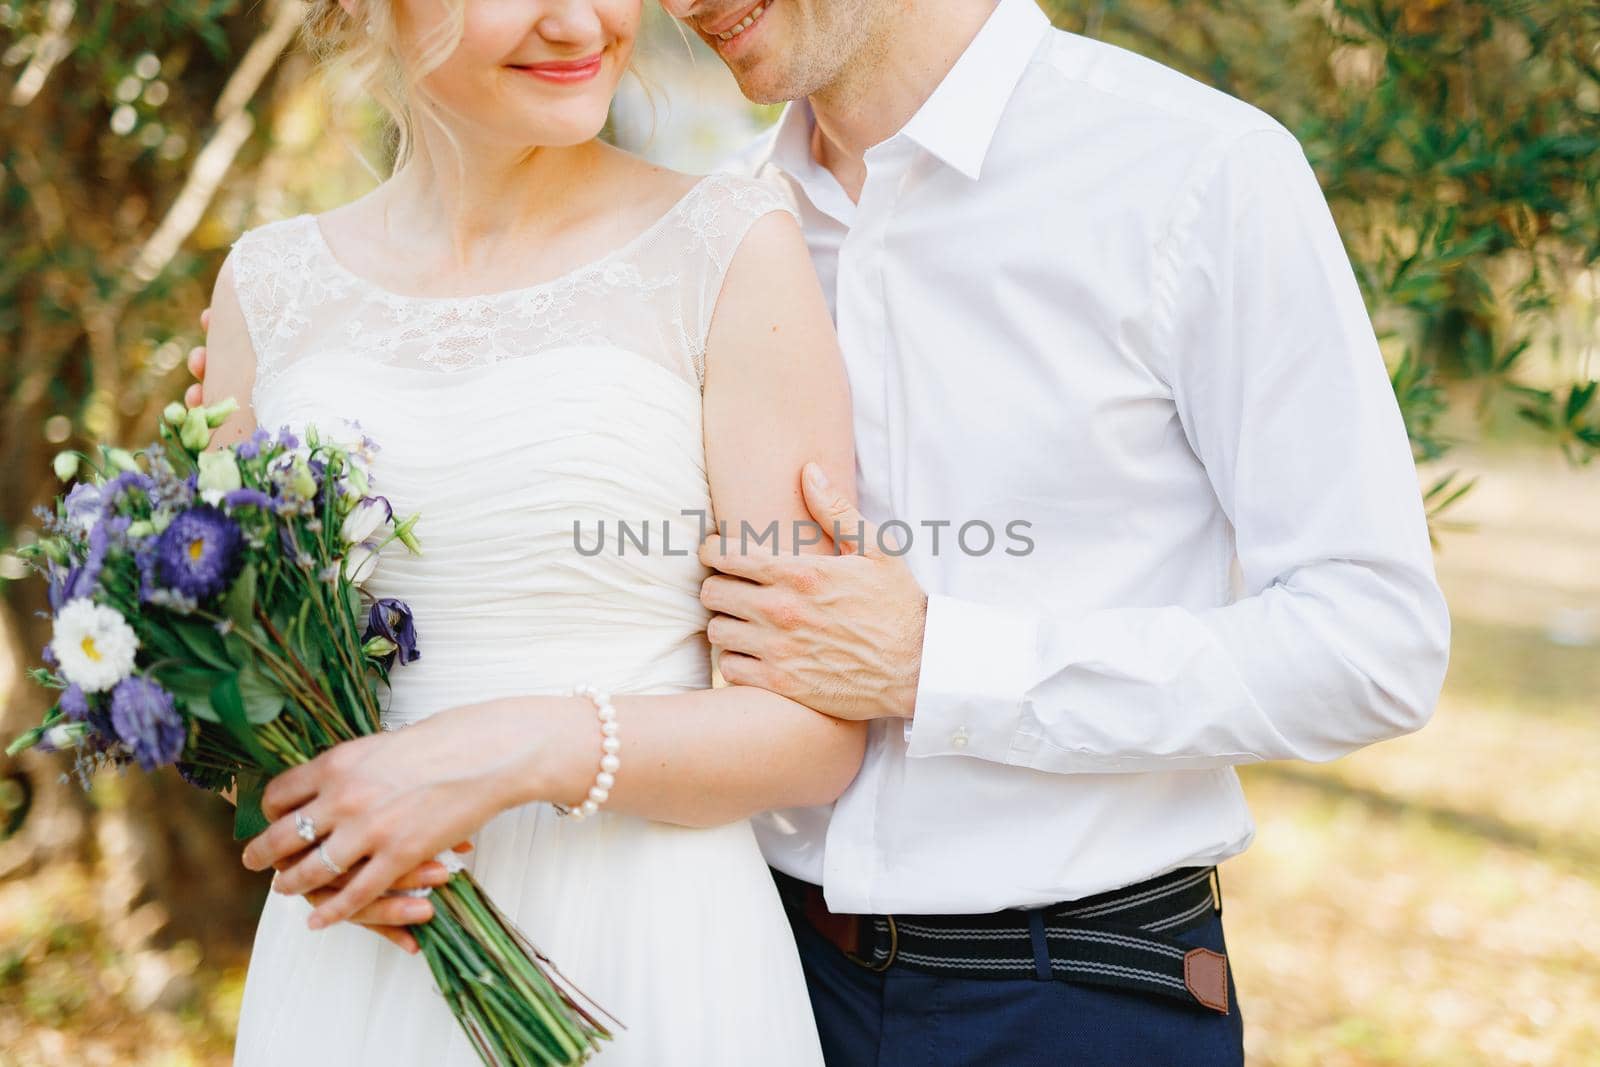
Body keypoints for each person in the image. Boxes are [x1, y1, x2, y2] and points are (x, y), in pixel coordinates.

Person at [192, 0, 1453, 1063]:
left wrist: (937, 666)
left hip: (1066, 984)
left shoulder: (1190, 173)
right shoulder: (718, 219)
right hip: (748, 969)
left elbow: (1374, 638)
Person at [199, 0, 868, 1063]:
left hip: (647, 952)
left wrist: (517, 749)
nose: (580, 23)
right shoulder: (270, 287)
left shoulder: (728, 246)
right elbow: (237, 696)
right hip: (364, 956)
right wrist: (308, 819)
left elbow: (813, 732)